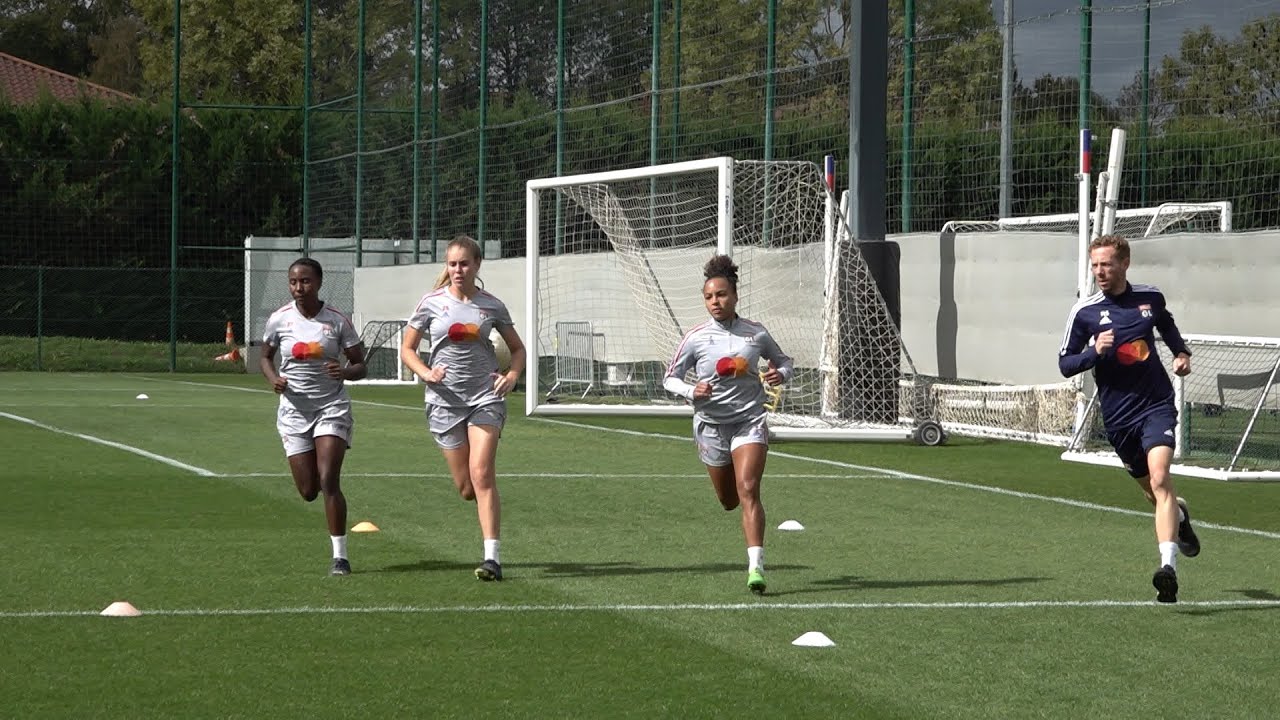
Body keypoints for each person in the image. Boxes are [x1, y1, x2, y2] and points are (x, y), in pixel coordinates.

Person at [1058, 234, 1201, 603]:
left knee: (1160, 477)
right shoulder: (1085, 312)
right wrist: (1093, 351)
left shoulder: (1149, 298)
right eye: (1095, 266)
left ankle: (1167, 568)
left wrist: (1181, 353)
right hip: (1118, 418)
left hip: (1155, 405)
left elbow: (1166, 325)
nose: (1100, 272)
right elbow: (1065, 363)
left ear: (1125, 264)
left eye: (1106, 264)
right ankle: (1181, 522)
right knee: (1152, 492)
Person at [663, 254, 793, 595]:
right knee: (729, 500)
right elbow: (669, 379)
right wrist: (693, 390)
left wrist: (781, 373)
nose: (714, 302)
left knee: (748, 488)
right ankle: (737, 508)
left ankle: (756, 567)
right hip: (710, 426)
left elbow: (783, 361)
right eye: (708, 297)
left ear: (734, 295)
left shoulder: (756, 334)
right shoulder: (695, 338)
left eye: (720, 294)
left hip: (749, 421)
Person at [400, 235, 526, 582]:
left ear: (477, 265)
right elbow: (407, 349)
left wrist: (513, 374)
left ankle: (492, 558)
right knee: (467, 487)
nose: (458, 270)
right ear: (447, 265)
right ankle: (484, 509)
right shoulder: (430, 303)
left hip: (485, 396)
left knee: (483, 473)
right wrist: (426, 373)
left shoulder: (492, 305)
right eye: (452, 264)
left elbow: (517, 349)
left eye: (464, 263)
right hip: (444, 401)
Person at [260, 258, 367, 576]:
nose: (298, 288)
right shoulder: (279, 319)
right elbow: (265, 357)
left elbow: (360, 364)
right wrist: (272, 379)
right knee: (308, 490)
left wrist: (345, 371)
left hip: (331, 408)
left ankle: (340, 557)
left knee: (329, 480)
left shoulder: (336, 320)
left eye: (305, 281)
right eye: (293, 282)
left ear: (319, 283)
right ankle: (318, 480)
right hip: (294, 412)